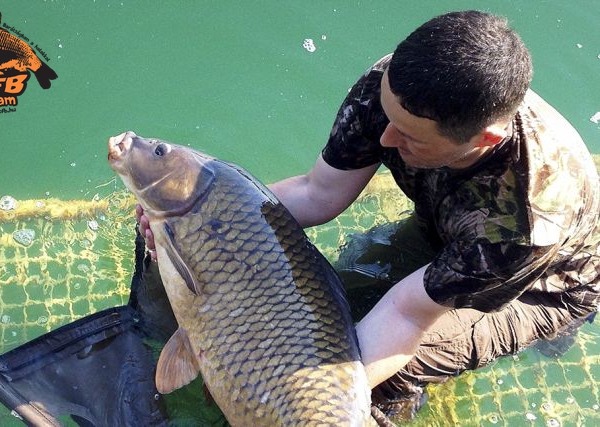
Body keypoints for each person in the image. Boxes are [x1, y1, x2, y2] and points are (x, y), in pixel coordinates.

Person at [138, 10, 599, 422]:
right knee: (320, 308)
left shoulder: (527, 223)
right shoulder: (393, 85)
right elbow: (318, 193)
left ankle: (530, 343)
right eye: (387, 115)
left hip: (542, 287)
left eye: (410, 137)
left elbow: (405, 312)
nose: (384, 139)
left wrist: (307, 400)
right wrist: (202, 224)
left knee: (375, 374)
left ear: (483, 142)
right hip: (446, 229)